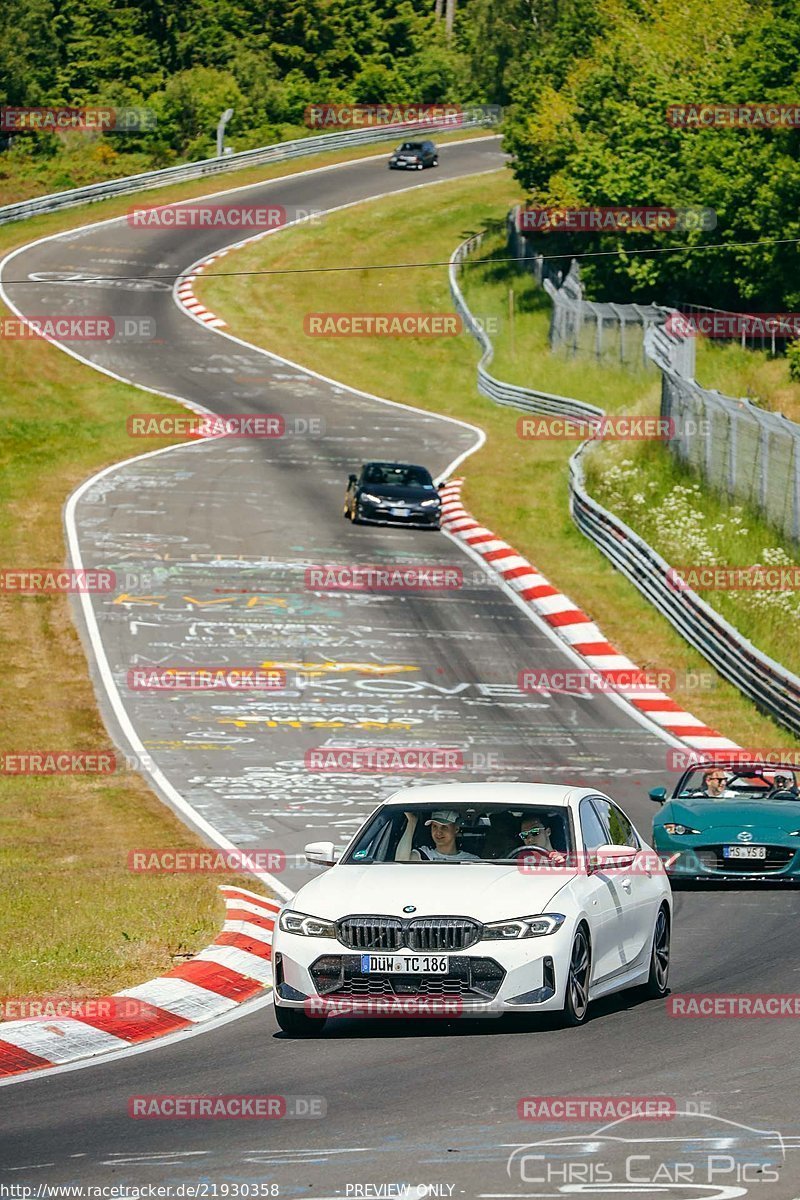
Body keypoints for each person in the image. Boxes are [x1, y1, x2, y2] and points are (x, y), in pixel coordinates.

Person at [394, 809, 479, 862]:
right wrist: (412, 822)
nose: (438, 832)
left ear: (456, 829)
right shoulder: (424, 855)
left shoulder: (471, 860)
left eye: (444, 827)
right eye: (434, 826)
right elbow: (401, 862)